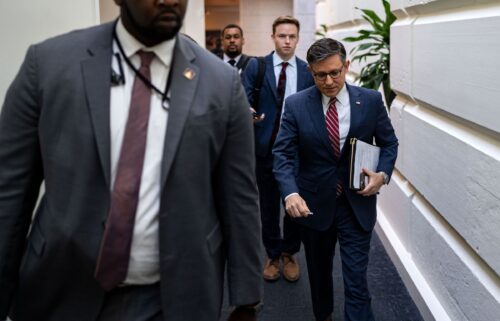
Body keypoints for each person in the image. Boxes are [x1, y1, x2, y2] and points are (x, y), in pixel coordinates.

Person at [0, 0, 263, 320]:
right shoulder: (47, 64)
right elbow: (9, 191)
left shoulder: (222, 83)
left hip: (174, 297)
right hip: (63, 287)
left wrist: (247, 300)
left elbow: (240, 197)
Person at [273, 38, 398, 321]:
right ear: (311, 72)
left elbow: (390, 144)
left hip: (357, 203)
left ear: (346, 66)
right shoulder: (296, 105)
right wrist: (290, 194)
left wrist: (382, 174)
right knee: (319, 274)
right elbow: (282, 154)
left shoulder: (370, 100)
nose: (329, 81)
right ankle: (324, 316)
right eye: (320, 75)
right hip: (313, 203)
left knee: (356, 278)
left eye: (335, 72)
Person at [242, 16, 314, 283]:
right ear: (273, 37)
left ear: (297, 38)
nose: (287, 41)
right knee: (269, 206)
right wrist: (248, 111)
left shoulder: (307, 72)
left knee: (294, 204)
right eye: (282, 36)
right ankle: (272, 253)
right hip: (264, 149)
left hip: (297, 151)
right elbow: (243, 97)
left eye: (291, 36)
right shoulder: (256, 66)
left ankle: (289, 252)